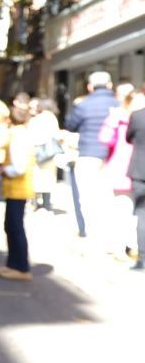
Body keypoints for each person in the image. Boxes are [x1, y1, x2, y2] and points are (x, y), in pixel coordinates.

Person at [65, 71, 119, 250]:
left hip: (88, 154)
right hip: (113, 157)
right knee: (109, 197)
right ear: (110, 85)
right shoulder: (119, 105)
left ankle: (93, 236)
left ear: (89, 87)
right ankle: (111, 237)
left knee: (88, 198)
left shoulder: (84, 105)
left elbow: (70, 125)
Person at [0, 107, 35, 281]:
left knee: (14, 227)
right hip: (17, 188)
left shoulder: (17, 137)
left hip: (18, 188)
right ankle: (13, 264)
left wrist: (2, 169)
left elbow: (19, 167)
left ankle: (21, 267)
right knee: (11, 226)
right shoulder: (21, 134)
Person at [100, 84, 139, 258]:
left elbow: (104, 139)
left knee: (128, 209)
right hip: (125, 170)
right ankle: (125, 246)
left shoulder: (124, 119)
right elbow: (105, 139)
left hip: (129, 169)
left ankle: (126, 245)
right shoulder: (120, 119)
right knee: (126, 209)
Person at [28, 98, 61, 212]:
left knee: (35, 178)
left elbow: (31, 134)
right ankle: (47, 204)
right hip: (49, 152)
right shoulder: (52, 118)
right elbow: (56, 134)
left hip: (37, 151)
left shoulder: (35, 119)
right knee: (48, 178)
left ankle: (35, 203)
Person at [125, 97, 145, 270]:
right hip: (139, 170)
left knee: (142, 214)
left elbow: (128, 137)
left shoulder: (137, 116)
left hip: (140, 169)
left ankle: (143, 259)